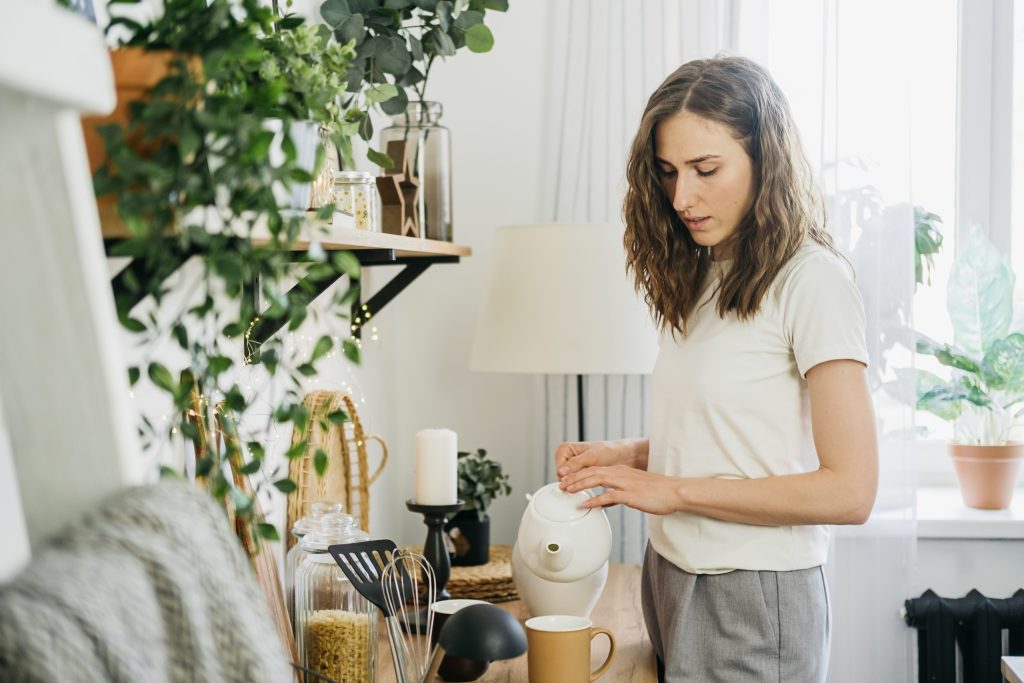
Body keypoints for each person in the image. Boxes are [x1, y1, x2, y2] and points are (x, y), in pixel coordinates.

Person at [555, 56, 878, 683]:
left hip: (752, 596)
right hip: (671, 574)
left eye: (706, 170)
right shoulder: (706, 268)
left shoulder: (812, 281)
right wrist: (632, 453)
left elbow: (850, 490)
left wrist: (672, 491)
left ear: (767, 159)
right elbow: (740, 437)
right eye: (669, 172)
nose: (682, 197)